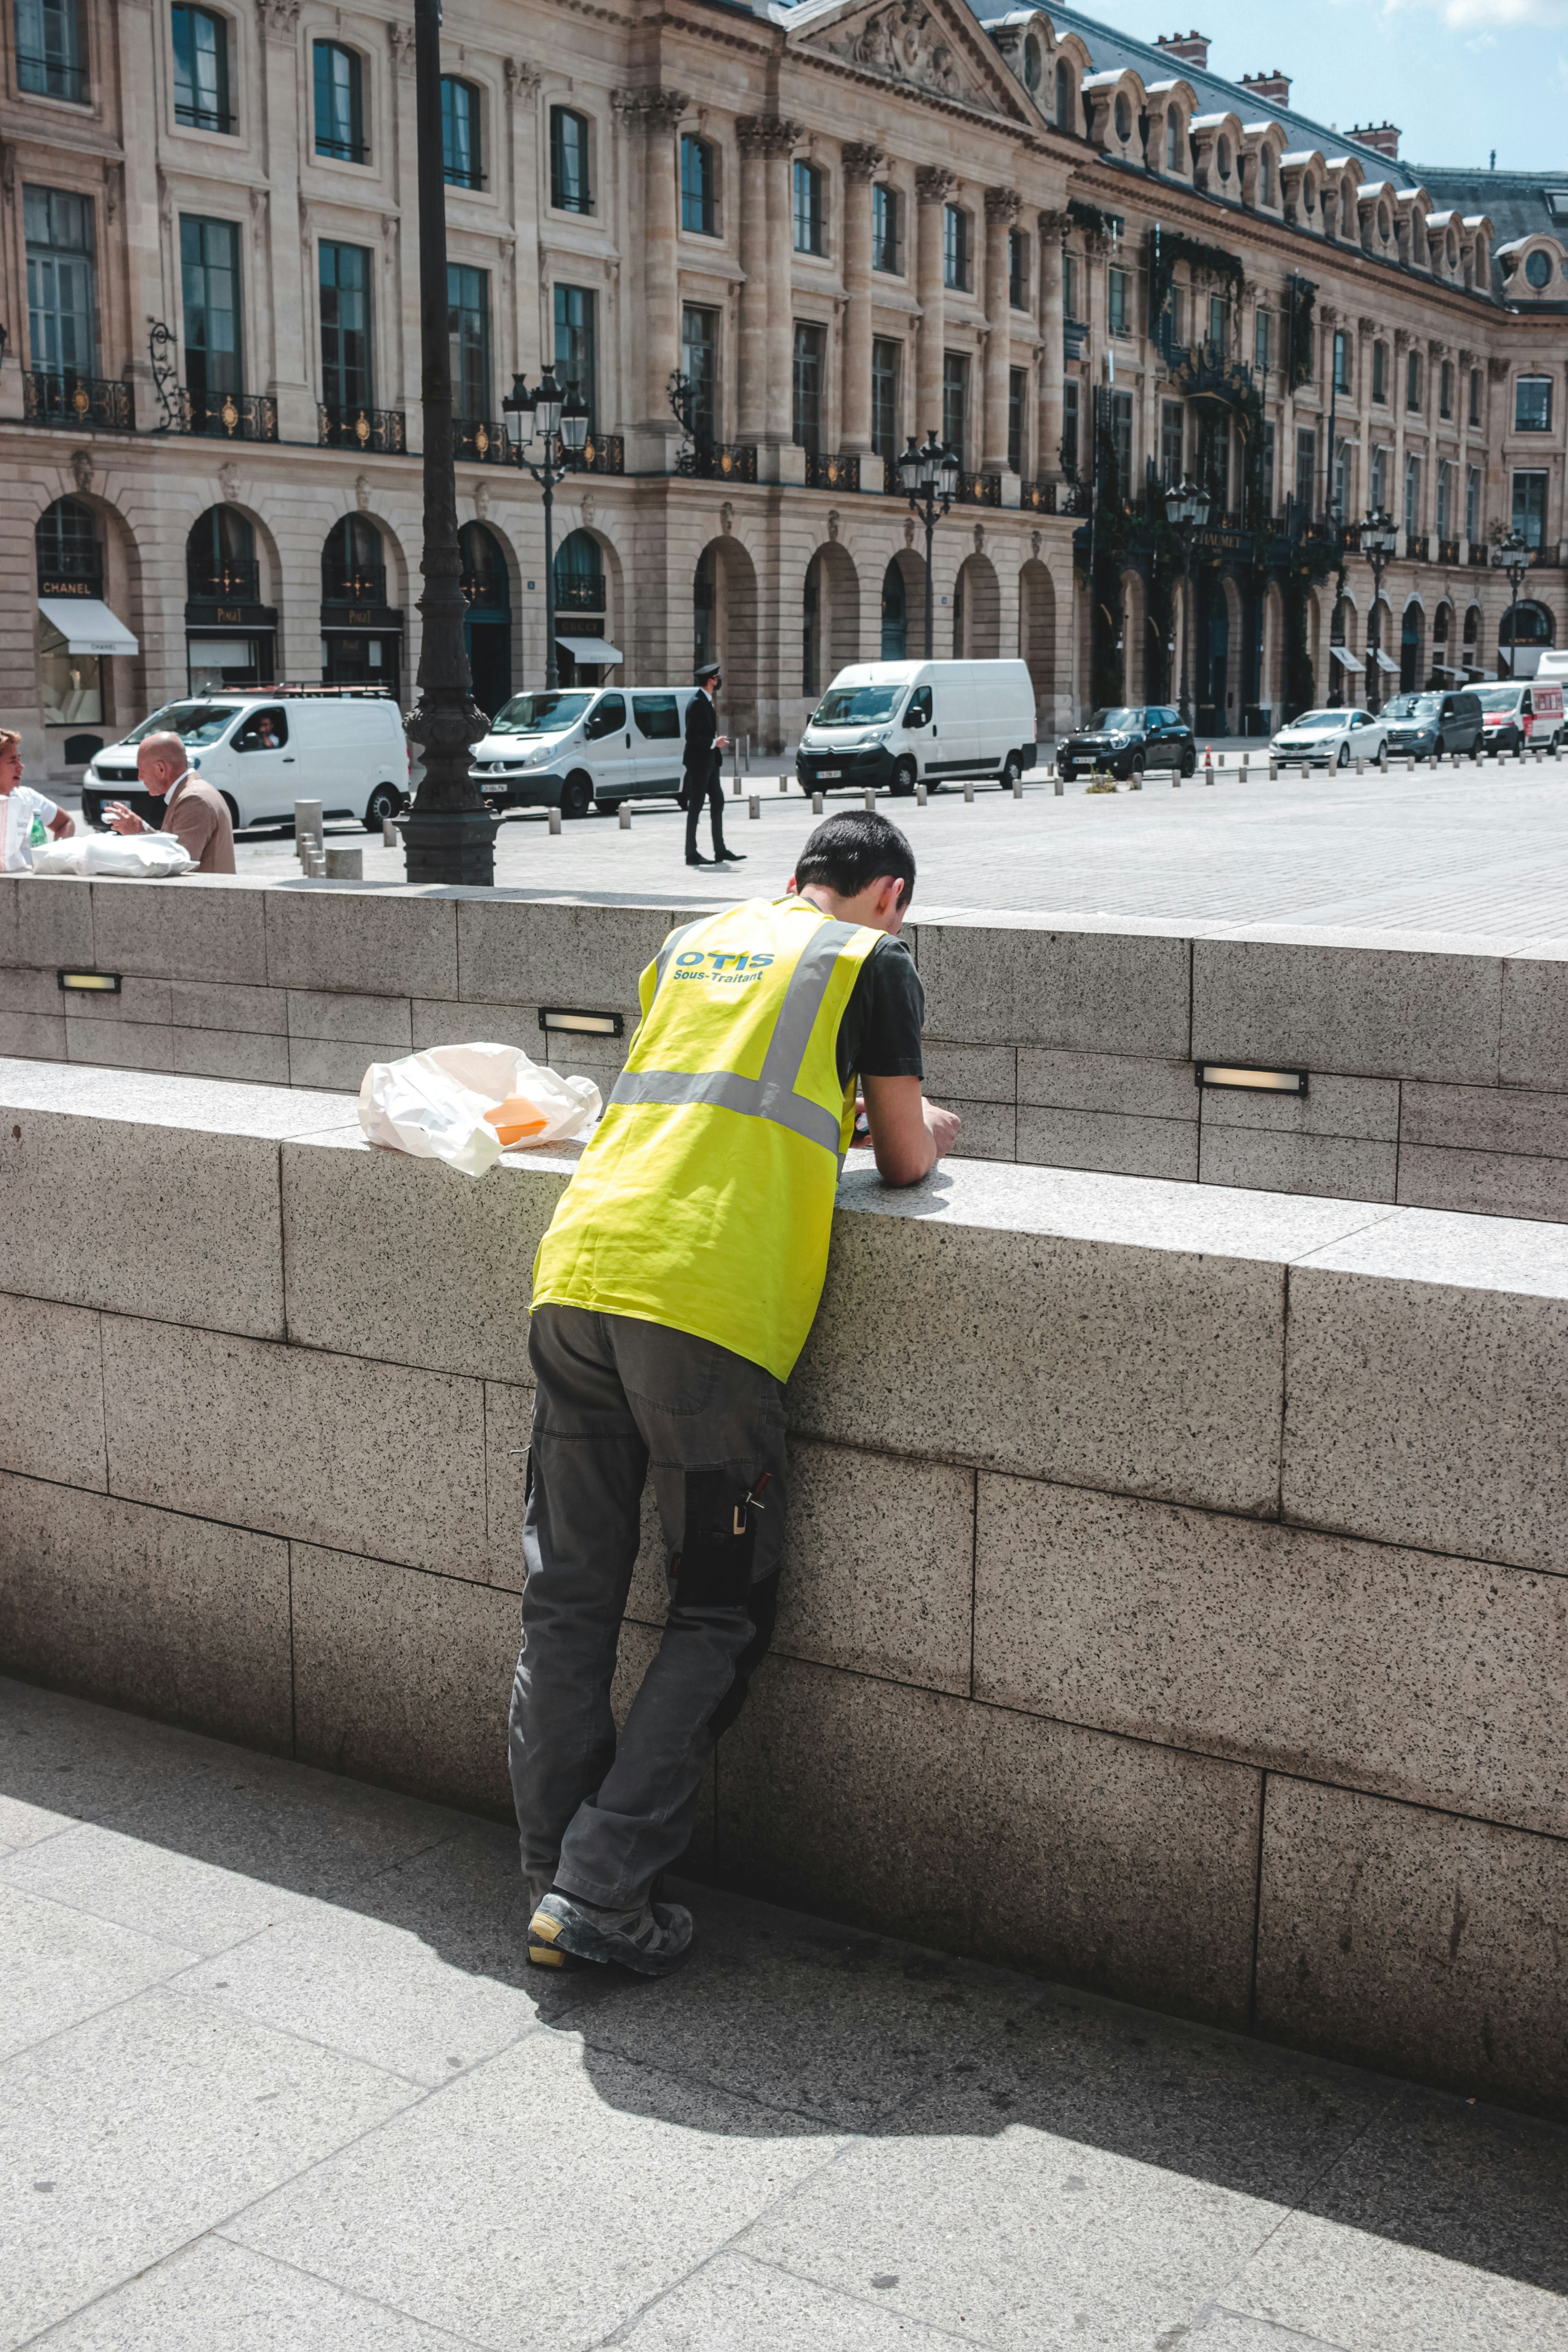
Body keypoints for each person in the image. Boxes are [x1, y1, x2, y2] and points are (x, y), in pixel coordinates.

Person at [514, 810, 961, 1976]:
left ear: (793, 877)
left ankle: (550, 1865)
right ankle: (598, 1891)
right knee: (719, 1605)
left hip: (577, 1270)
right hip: (705, 1304)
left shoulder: (693, 939)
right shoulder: (873, 962)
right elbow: (907, 1159)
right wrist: (922, 1126)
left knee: (568, 1593)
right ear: (890, 896)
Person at [105, 731, 237, 874]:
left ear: (161, 769)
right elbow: (174, 848)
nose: (139, 777)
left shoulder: (193, 799)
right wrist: (140, 830)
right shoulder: (192, 793)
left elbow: (177, 863)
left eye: (141, 770)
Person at [681, 661, 742, 869]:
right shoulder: (697, 702)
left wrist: (715, 741)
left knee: (718, 801)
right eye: (717, 678)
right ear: (710, 681)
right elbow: (691, 737)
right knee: (696, 808)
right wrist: (713, 743)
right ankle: (691, 853)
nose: (719, 681)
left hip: (710, 763)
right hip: (699, 764)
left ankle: (720, 849)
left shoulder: (706, 701)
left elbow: (703, 732)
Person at [0, 729, 74, 871]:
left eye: (19, 759)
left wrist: (56, 857)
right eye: (12, 761)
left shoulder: (27, 798)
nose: (21, 767)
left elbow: (65, 823)